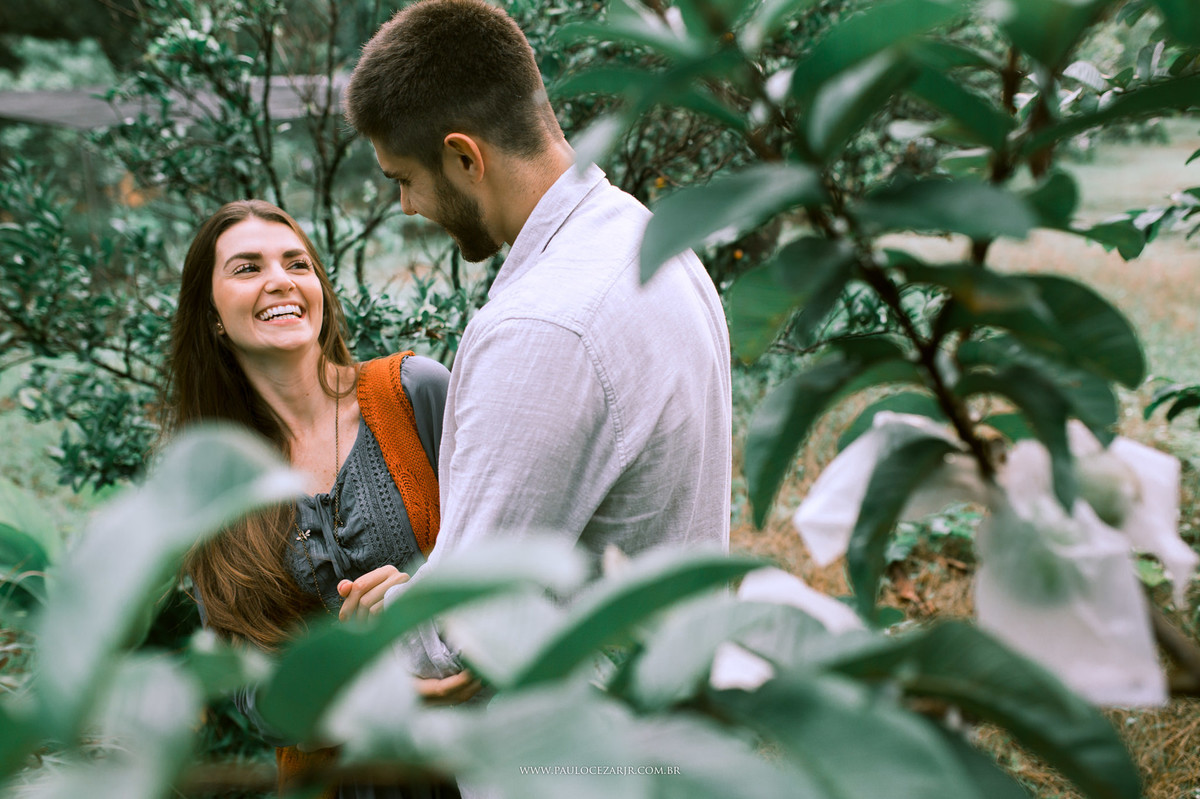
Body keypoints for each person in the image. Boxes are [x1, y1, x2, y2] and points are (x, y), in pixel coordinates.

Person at [342, 0, 733, 677]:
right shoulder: (653, 240)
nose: (406, 206)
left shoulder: (540, 330)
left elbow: (453, 639)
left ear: (463, 157)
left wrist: (381, 622)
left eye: (405, 180)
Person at [163, 199, 466, 798]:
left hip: (478, 760)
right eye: (247, 269)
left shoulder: (415, 392)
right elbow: (253, 699)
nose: (280, 279)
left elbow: (513, 543)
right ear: (213, 318)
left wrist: (425, 598)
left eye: (296, 263)